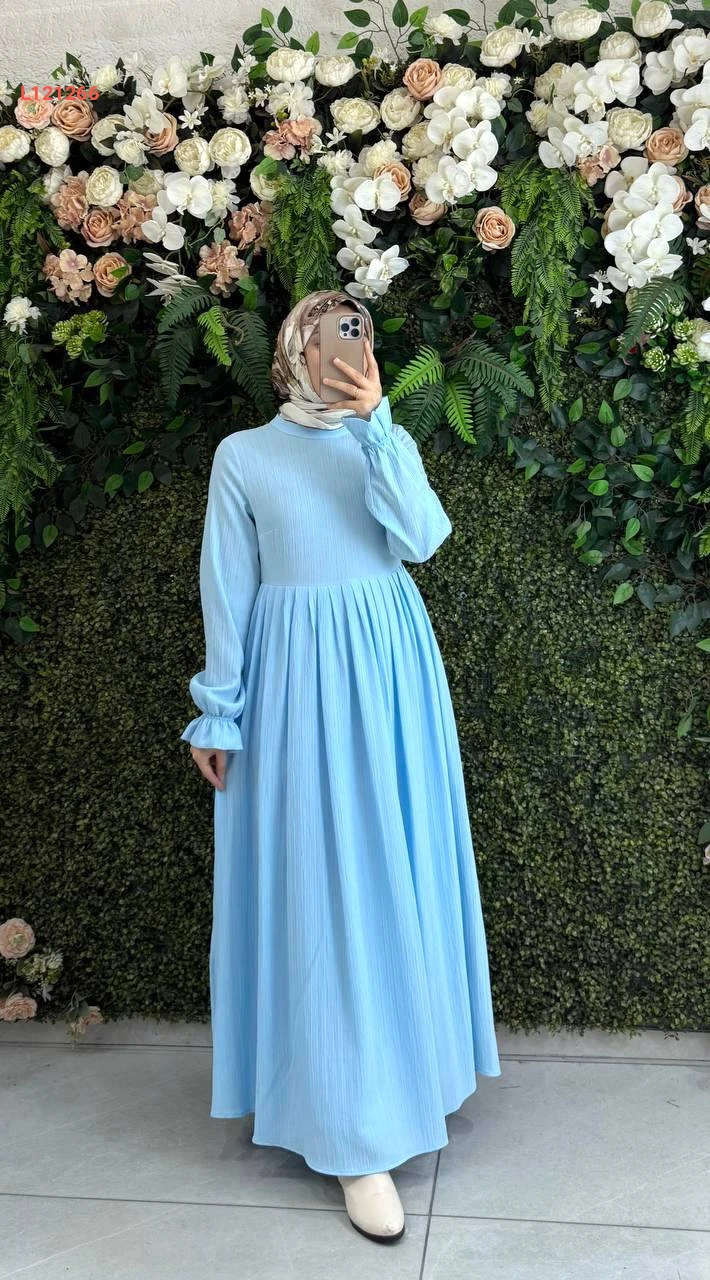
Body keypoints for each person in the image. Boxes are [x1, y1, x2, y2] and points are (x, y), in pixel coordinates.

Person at [180, 289, 502, 1245]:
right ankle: (351, 1129)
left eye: (358, 335)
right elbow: (227, 589)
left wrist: (379, 424)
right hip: (296, 686)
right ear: (294, 349)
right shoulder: (244, 456)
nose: (346, 352)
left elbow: (423, 539)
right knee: (321, 887)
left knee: (396, 871)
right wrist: (219, 710)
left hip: (391, 674)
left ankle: (407, 1080)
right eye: (328, 336)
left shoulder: (379, 441)